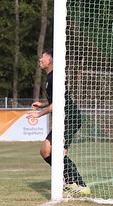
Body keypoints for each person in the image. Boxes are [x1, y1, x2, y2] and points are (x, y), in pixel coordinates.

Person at [27, 48, 90, 195]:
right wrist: (42, 104)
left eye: (42, 57)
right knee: (45, 150)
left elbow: (58, 104)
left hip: (70, 117)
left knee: (59, 152)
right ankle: (70, 181)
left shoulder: (56, 77)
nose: (40, 60)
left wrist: (39, 114)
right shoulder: (50, 78)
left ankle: (81, 185)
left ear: (50, 60)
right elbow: (54, 101)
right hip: (63, 119)